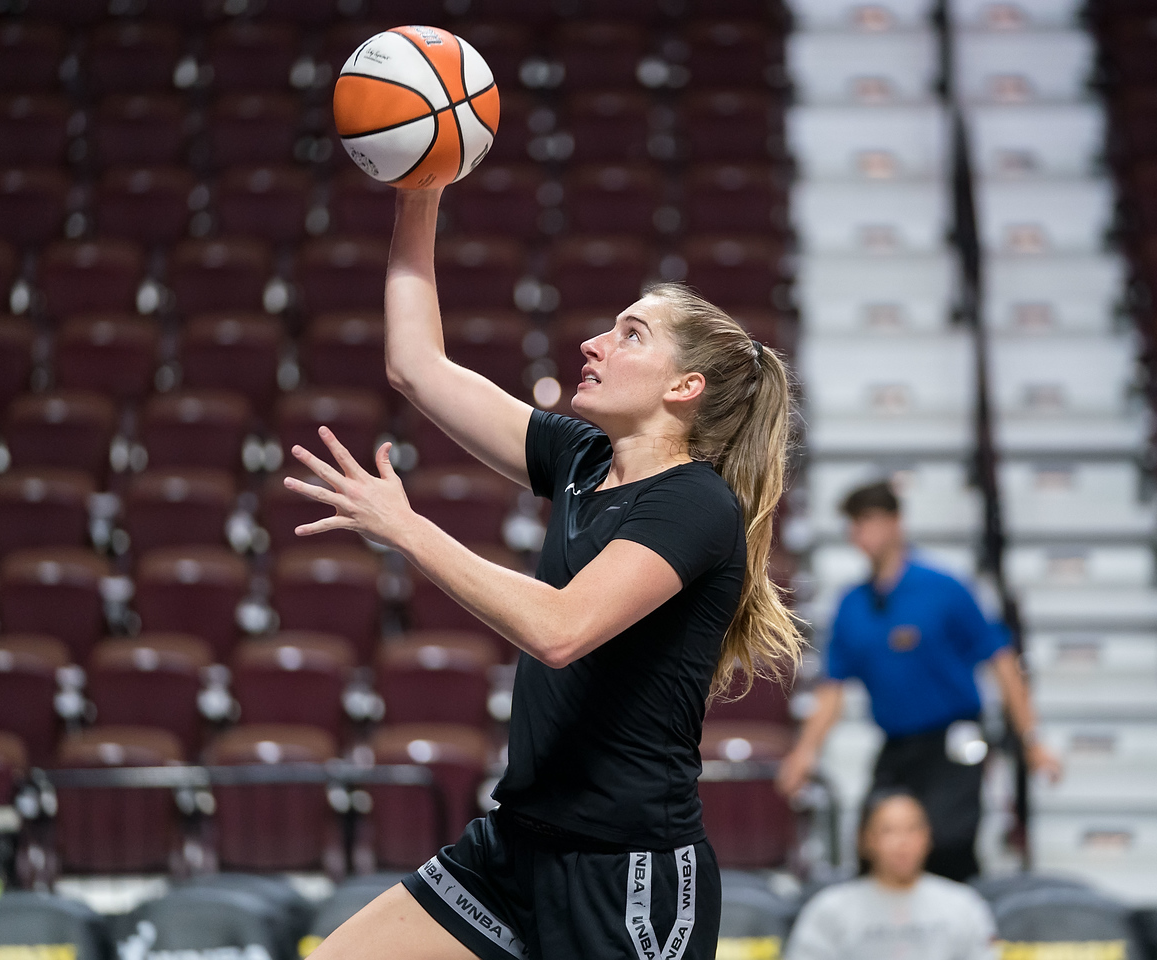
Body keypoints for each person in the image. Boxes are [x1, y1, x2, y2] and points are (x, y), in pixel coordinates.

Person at [285, 186, 803, 960]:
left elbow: (559, 629)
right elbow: (416, 367)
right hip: (515, 848)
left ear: (683, 388)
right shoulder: (580, 457)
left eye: (630, 335)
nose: (594, 343)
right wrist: (420, 194)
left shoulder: (696, 505)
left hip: (626, 873)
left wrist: (407, 528)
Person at [777, 481, 1062, 882]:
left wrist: (1031, 740)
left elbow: (1002, 663)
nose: (862, 534)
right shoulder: (852, 605)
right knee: (878, 841)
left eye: (869, 521)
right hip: (897, 743)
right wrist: (805, 753)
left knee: (947, 842)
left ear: (896, 523)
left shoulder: (944, 588)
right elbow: (832, 689)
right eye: (854, 525)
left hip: (957, 736)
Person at [785, 788, 997, 960]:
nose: (902, 842)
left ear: (928, 837)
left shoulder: (964, 905)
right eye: (889, 830)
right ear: (865, 839)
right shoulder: (829, 909)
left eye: (912, 829)